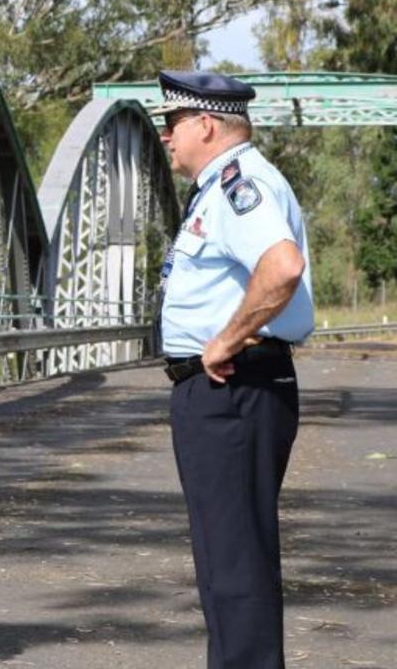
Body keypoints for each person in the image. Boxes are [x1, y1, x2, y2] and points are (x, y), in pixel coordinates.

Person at [154, 70, 314, 669]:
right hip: (228, 392)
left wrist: (226, 339)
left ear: (206, 124)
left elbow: (282, 266)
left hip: (232, 389)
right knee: (227, 565)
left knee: (236, 566)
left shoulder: (240, 185)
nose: (167, 138)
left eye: (172, 124)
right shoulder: (222, 187)